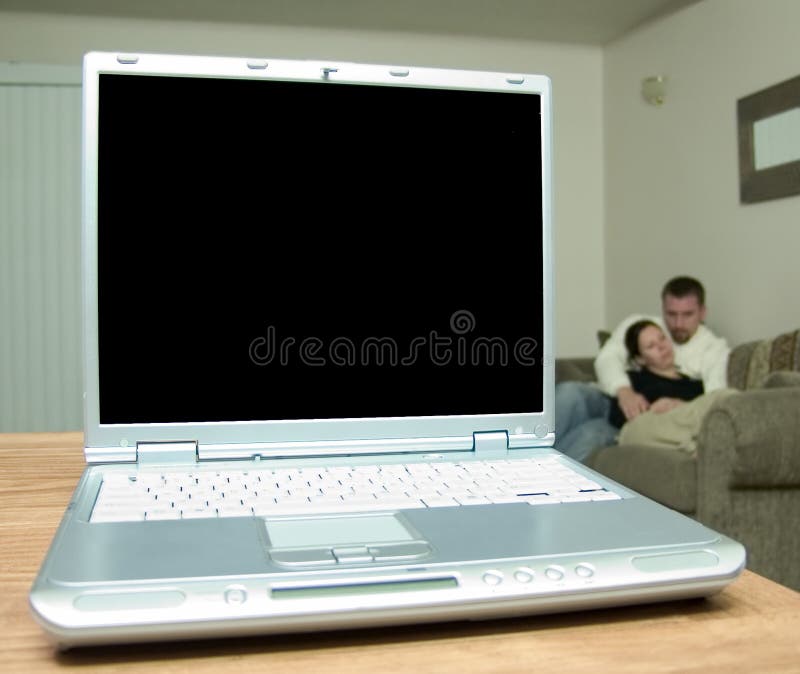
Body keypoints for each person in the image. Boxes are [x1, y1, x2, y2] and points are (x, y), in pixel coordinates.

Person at [554, 276, 729, 463]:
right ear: (663, 310)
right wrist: (624, 392)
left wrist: (677, 405)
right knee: (569, 392)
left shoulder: (714, 350)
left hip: (633, 421)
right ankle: (522, 454)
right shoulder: (642, 324)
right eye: (671, 314)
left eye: (687, 315)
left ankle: (544, 478)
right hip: (609, 397)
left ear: (702, 312)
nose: (678, 324)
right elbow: (607, 358)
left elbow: (713, 400)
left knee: (589, 434)